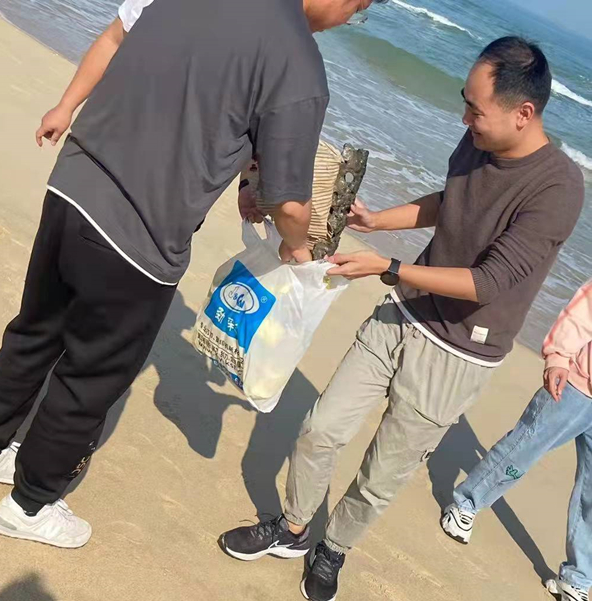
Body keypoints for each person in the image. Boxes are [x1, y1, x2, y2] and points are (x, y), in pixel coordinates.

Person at [0, 0, 390, 549]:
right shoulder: (297, 64)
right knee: (92, 373)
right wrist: (298, 249)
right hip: (140, 232)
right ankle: (28, 505)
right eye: (358, 10)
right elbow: (290, 201)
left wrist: (246, 180)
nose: (347, 21)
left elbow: (195, 92)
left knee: (36, 329)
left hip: (73, 184)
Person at [220, 36, 585, 601]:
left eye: (476, 110)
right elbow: (450, 200)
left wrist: (389, 267)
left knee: (382, 474)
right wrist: (379, 222)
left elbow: (489, 281)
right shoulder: (478, 140)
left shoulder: (558, 187)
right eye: (465, 103)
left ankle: (333, 549)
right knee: (321, 428)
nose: (464, 119)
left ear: (523, 113)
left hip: (460, 352)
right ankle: (293, 528)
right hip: (403, 312)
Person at [440, 280, 592, 601]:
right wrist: (558, 357)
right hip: (576, 386)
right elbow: (583, 312)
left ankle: (578, 577)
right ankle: (466, 504)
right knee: (523, 449)